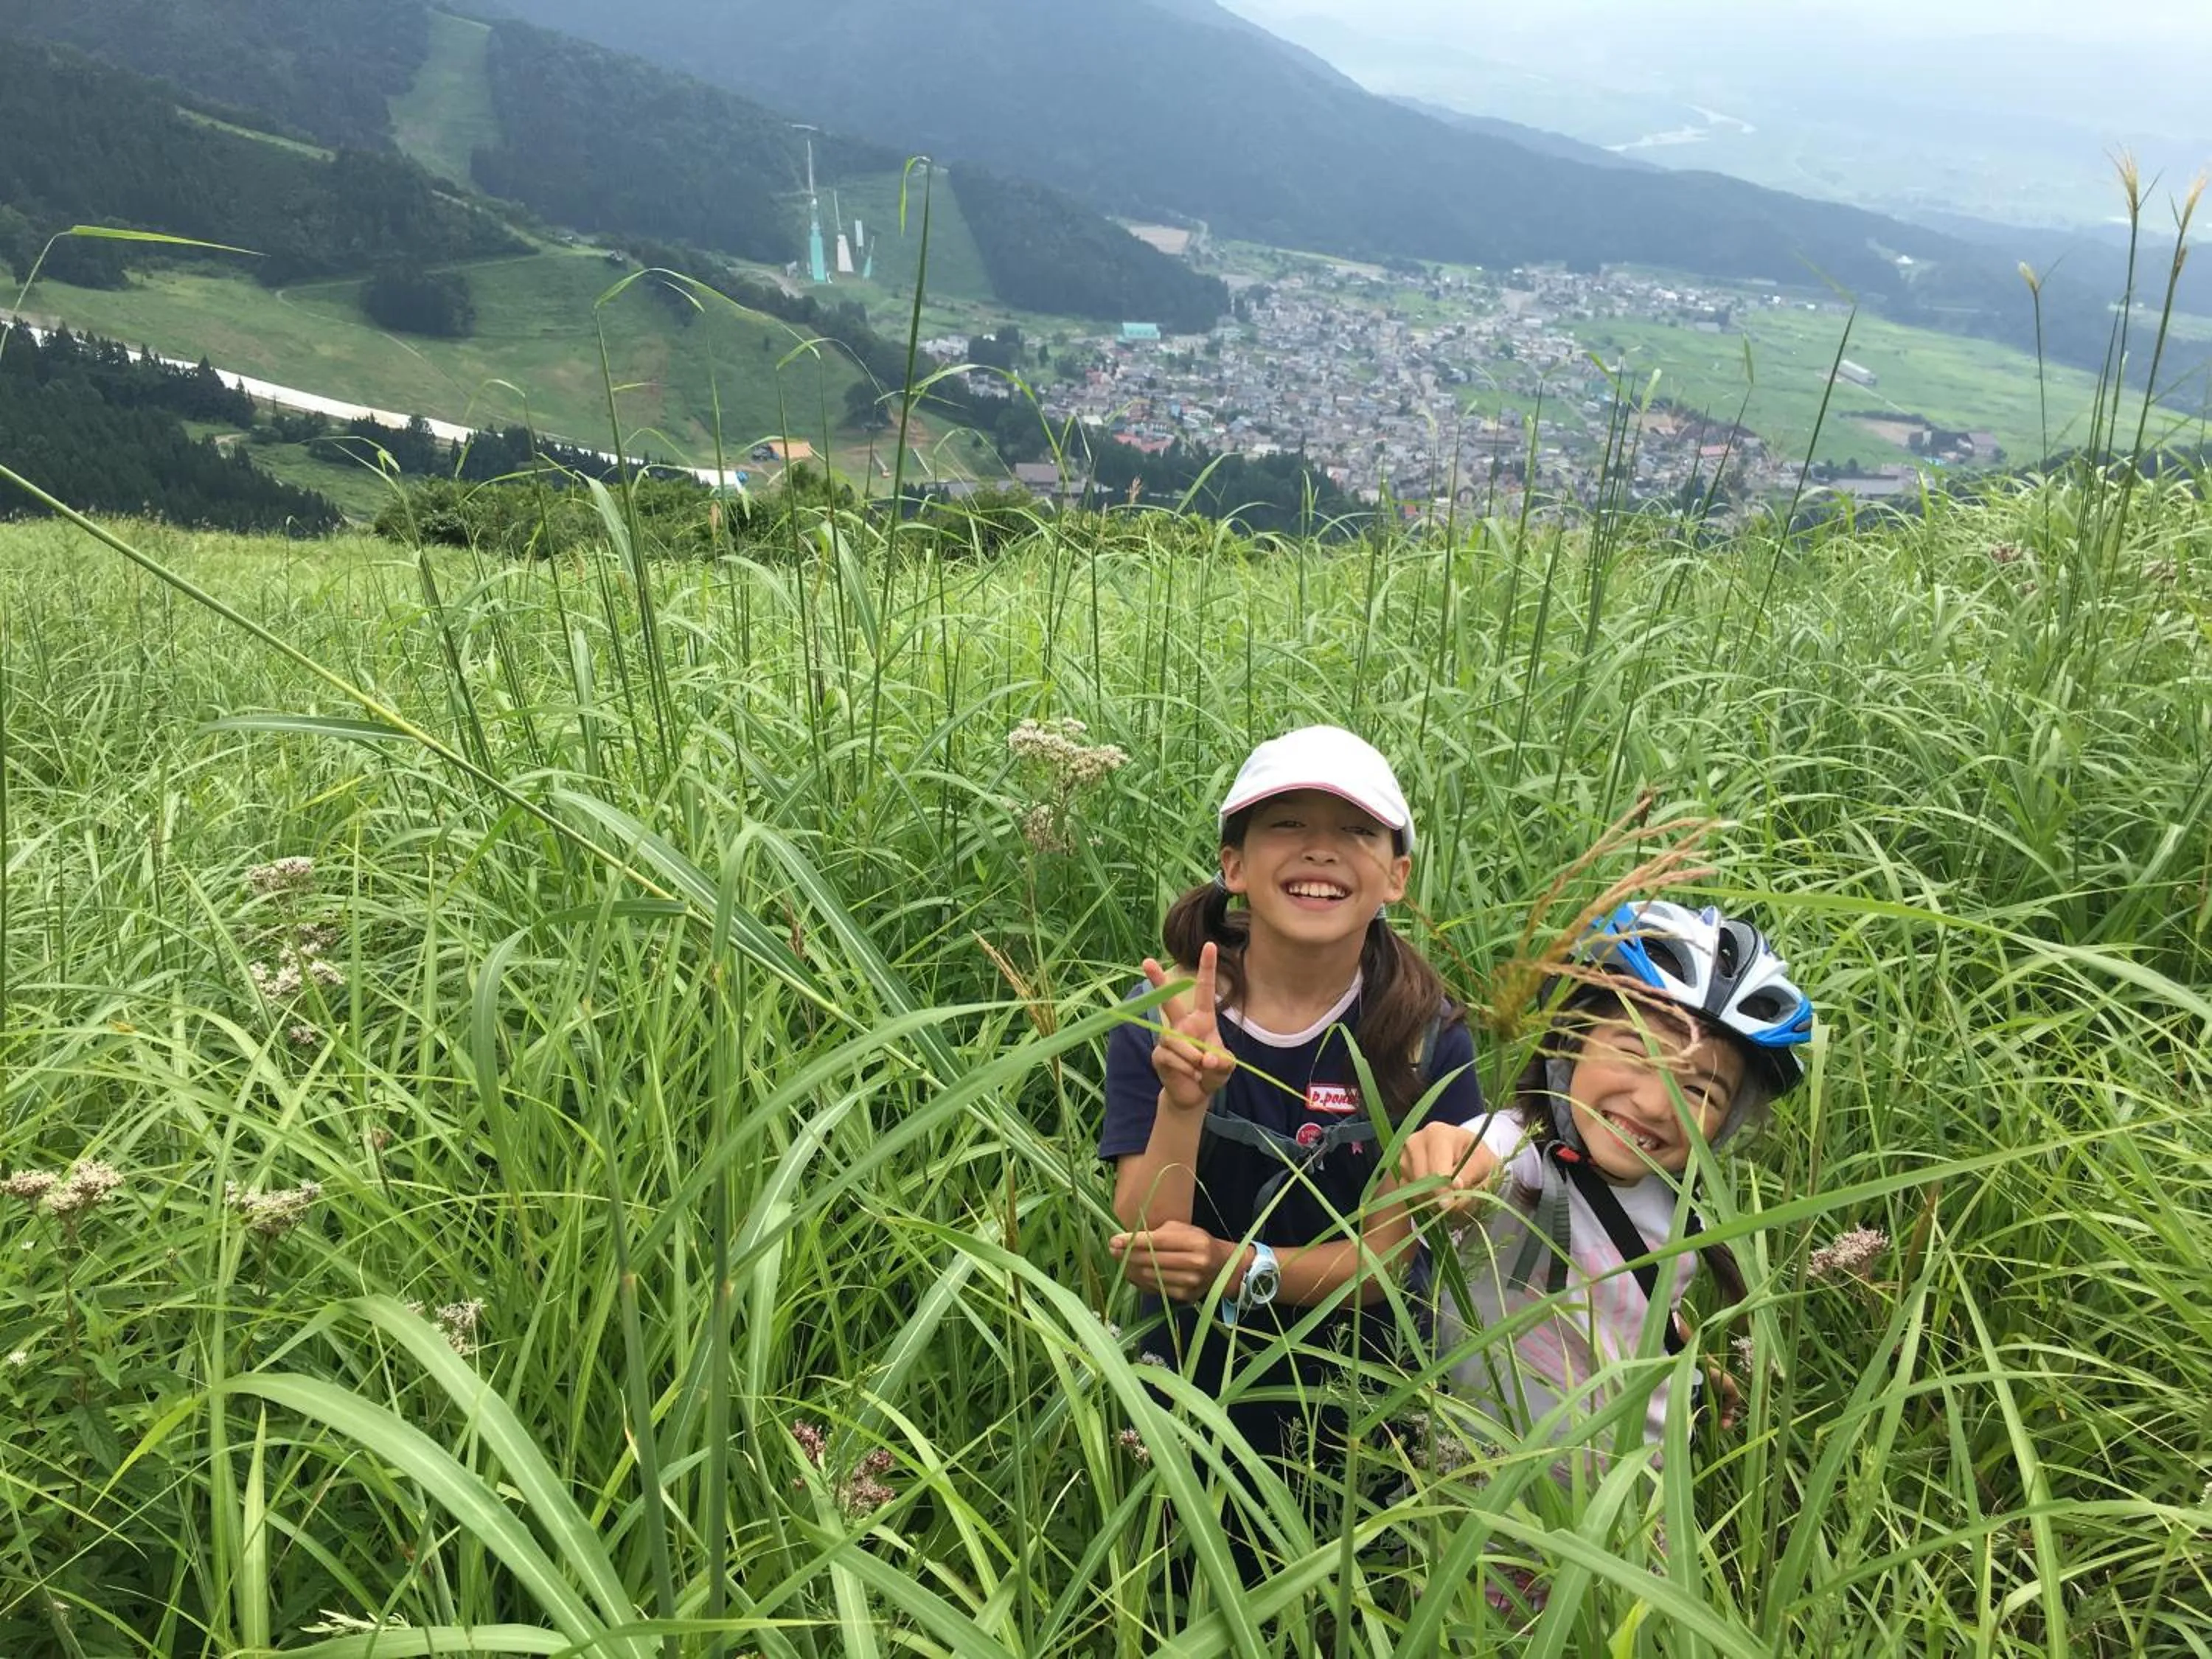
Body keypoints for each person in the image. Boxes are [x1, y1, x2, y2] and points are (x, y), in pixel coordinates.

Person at [1099, 725, 1485, 1568]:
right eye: (1287, 825)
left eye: (1355, 831)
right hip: (1186, 1392)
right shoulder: (1162, 1009)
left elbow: (1383, 1272)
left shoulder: (1429, 1035)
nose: (1321, 851)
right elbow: (1145, 1240)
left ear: (1396, 875)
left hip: (1367, 1401)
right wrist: (1183, 1098)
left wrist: (1234, 1268)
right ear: (1233, 864)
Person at [1396, 899, 1814, 1607]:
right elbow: (1460, 1159)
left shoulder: (1674, 1201)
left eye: (1699, 1089)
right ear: (1572, 1040)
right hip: (1486, 1515)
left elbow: (1631, 1302)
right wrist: (1448, 1172)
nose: (1653, 1102)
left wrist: (1691, 1362)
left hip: (1632, 1514)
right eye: (1634, 1050)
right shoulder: (1517, 1153)